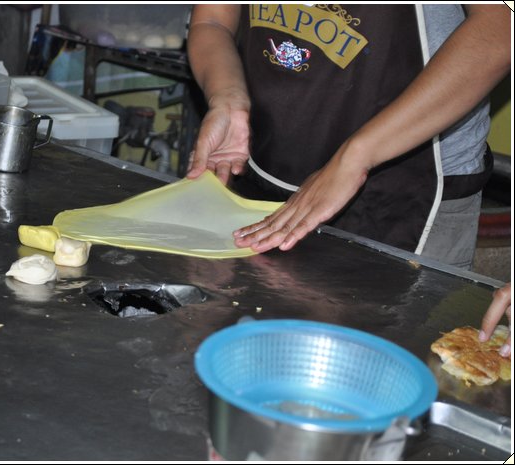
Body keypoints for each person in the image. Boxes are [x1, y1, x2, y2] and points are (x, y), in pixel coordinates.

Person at [186, 5, 511, 353]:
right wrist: (227, 98)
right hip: (266, 173)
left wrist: (356, 156)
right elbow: (213, 20)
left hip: (410, 196)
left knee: (388, 365)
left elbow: (500, 31)